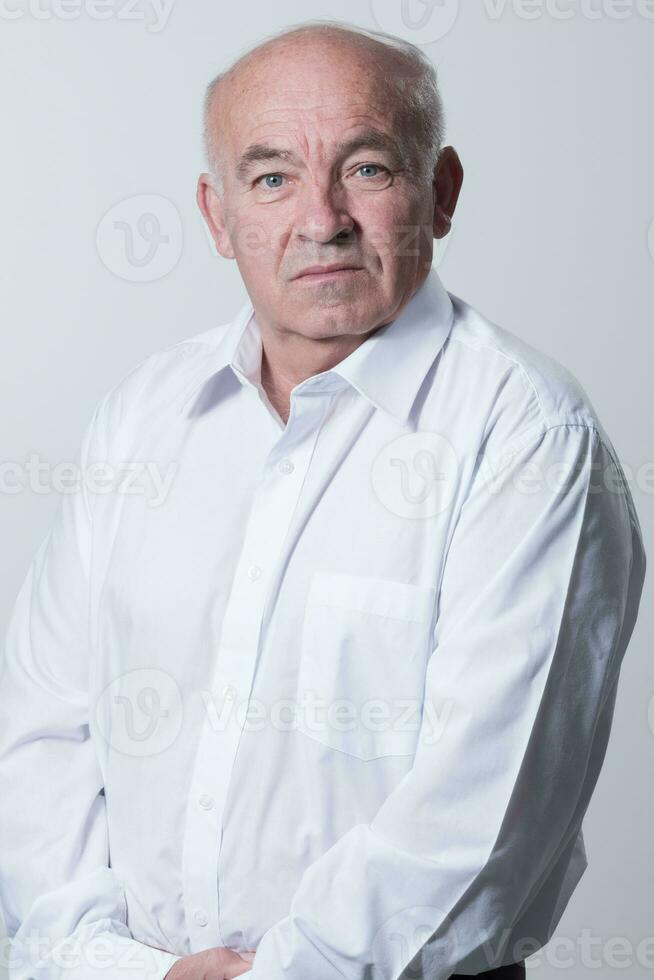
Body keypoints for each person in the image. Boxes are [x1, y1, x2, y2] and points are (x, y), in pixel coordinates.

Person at [0, 18, 646, 980]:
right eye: (272, 179)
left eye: (369, 169)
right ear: (218, 218)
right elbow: (41, 731)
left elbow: (487, 815)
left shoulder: (528, 438)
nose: (321, 219)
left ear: (443, 192)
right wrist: (112, 968)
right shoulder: (142, 418)